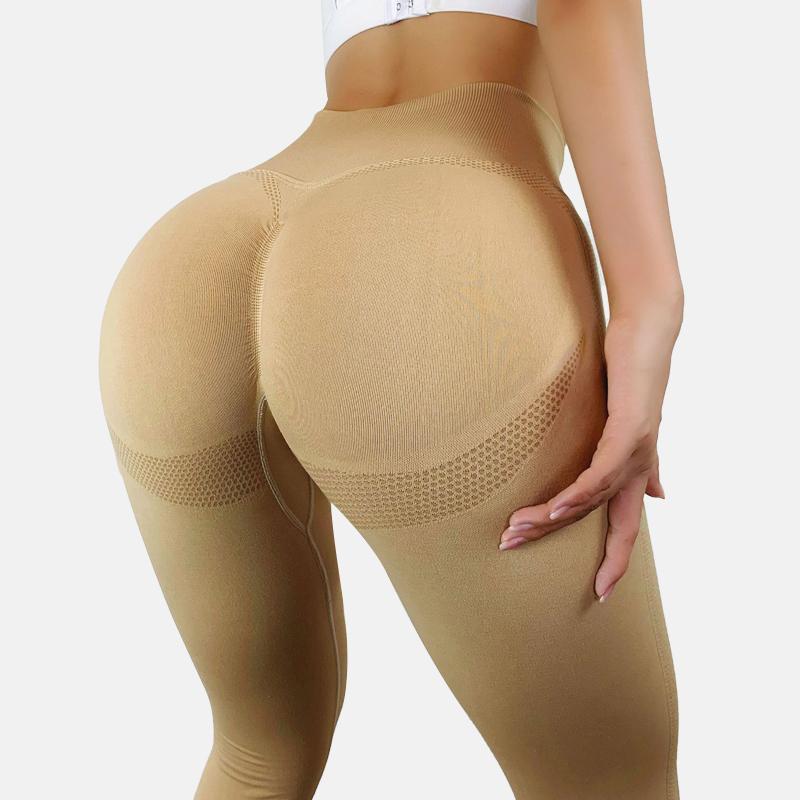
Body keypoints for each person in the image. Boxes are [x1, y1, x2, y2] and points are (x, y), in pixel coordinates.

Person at [98, 1, 683, 797]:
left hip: (195, 260)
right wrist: (648, 305)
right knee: (610, 782)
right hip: (435, 237)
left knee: (256, 756)